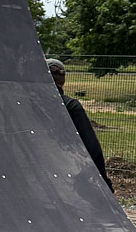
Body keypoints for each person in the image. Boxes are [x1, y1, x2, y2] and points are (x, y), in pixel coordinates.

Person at [45, 58, 113, 190]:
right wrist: (105, 183)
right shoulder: (71, 106)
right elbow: (93, 149)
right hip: (69, 172)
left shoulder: (28, 106)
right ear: (63, 80)